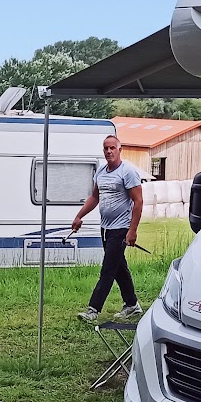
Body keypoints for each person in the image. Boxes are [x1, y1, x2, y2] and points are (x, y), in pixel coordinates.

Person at [72, 134, 144, 322]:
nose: (109, 151)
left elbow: (138, 201)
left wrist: (132, 230)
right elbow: (95, 197)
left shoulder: (128, 171)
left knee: (108, 269)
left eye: (112, 148)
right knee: (119, 267)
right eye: (106, 148)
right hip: (105, 228)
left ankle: (93, 310)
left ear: (120, 150)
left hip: (121, 228)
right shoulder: (101, 172)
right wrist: (79, 216)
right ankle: (132, 305)